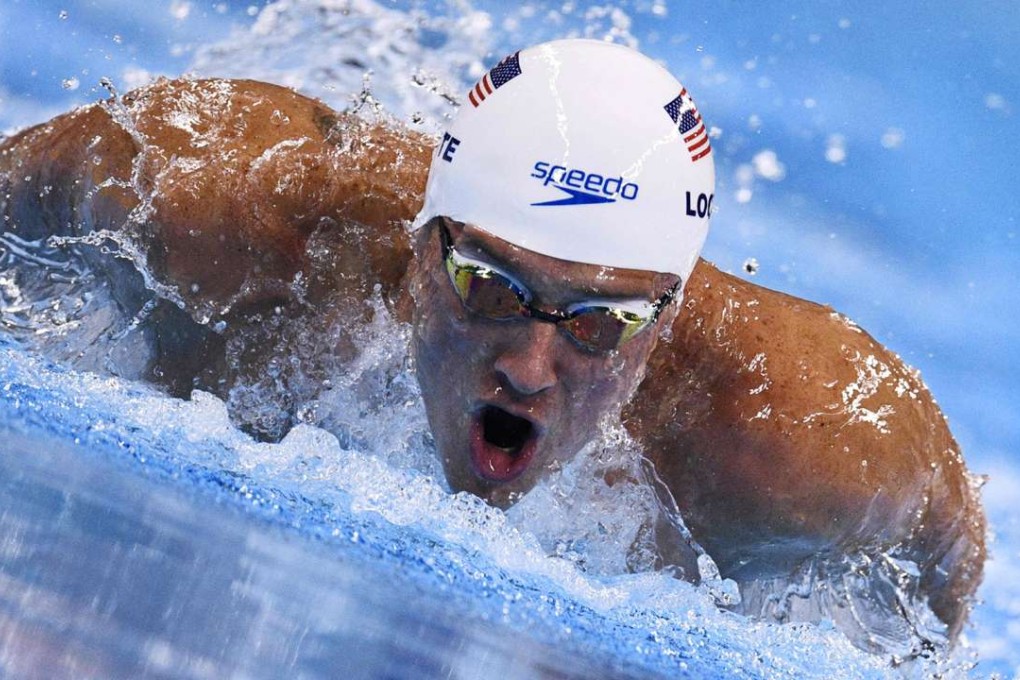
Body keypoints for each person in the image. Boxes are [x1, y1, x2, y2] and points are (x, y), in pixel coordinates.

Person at [0, 40, 984, 656]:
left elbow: (946, 571)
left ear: (663, 322)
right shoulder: (218, 203)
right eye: (490, 287)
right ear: (424, 249)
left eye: (599, 323)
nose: (526, 366)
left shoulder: (799, 436)